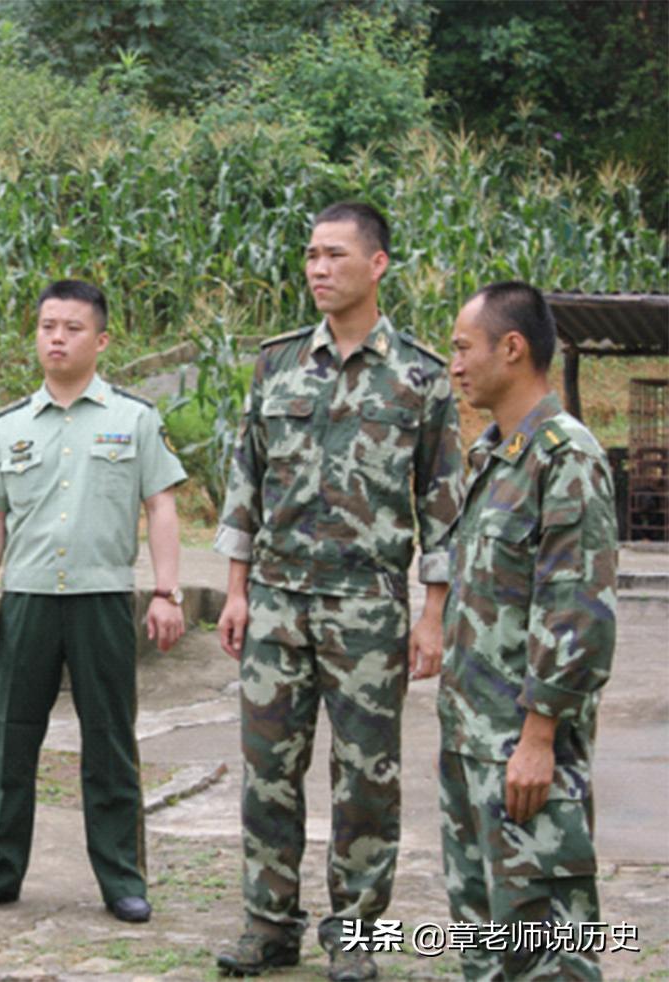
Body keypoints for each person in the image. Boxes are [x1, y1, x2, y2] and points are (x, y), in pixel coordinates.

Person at [213, 202, 463, 981]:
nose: (319, 269)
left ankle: (356, 932)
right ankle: (268, 923)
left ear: (378, 264)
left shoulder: (422, 377)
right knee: (268, 772)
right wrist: (235, 590)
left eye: (336, 255)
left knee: (366, 778)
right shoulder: (277, 363)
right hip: (279, 601)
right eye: (311, 255)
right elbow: (246, 481)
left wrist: (432, 616)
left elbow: (443, 507)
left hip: (367, 608)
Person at [0, 279, 187, 924]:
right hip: (27, 598)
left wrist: (166, 592)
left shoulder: (134, 419)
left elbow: (161, 505)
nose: (56, 338)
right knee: (11, 740)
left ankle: (122, 879)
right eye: (47, 326)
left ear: (101, 340)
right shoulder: (8, 427)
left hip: (102, 599)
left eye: (72, 328)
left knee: (110, 740)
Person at [440, 282, 616, 980]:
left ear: (511, 349)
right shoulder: (494, 454)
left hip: (523, 752)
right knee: (484, 946)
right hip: (471, 743)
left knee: (545, 951)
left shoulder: (563, 457)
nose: (454, 364)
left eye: (462, 347)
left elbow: (579, 611)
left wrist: (540, 738)